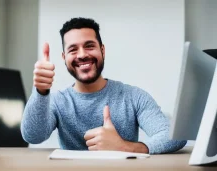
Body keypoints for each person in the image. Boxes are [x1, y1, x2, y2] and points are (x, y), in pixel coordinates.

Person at [21, 17, 187, 154]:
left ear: (102, 50)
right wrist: (41, 91)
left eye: (89, 46)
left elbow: (174, 136)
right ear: (64, 57)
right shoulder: (58, 101)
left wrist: (124, 147)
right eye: (73, 49)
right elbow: (33, 136)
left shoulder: (133, 96)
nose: (82, 55)